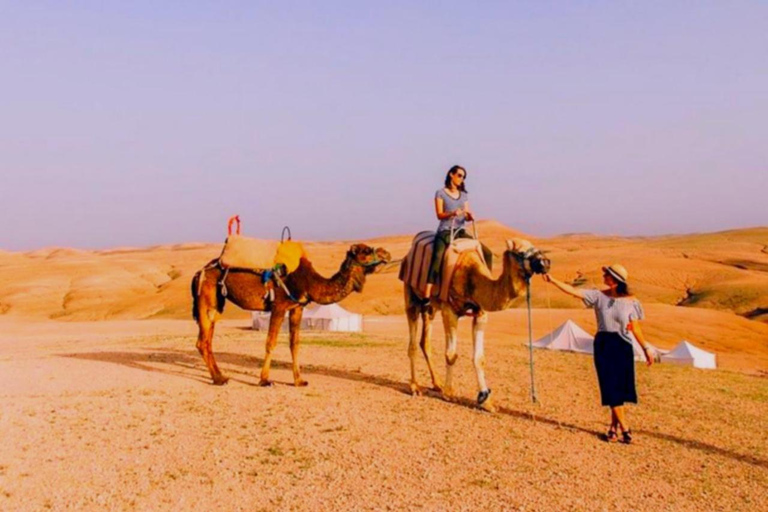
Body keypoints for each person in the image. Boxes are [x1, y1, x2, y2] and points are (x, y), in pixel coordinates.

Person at [542, 264, 653, 444]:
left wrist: (646, 348)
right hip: (604, 343)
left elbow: (636, 328)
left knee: (620, 389)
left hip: (623, 345)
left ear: (615, 279)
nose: (604, 277)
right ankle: (625, 428)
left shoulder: (632, 301)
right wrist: (553, 280)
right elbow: (572, 291)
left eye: (607, 275)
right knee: (610, 387)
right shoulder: (598, 296)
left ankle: (612, 429)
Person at [422, 165, 493, 305]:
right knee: (437, 256)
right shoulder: (440, 193)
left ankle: (487, 284)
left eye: (464, 176)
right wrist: (452, 213)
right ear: (451, 175)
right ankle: (427, 292)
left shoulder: (464, 195)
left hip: (461, 231)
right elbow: (439, 214)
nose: (462, 179)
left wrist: (469, 216)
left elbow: (466, 214)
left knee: (487, 253)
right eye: (460, 175)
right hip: (446, 230)